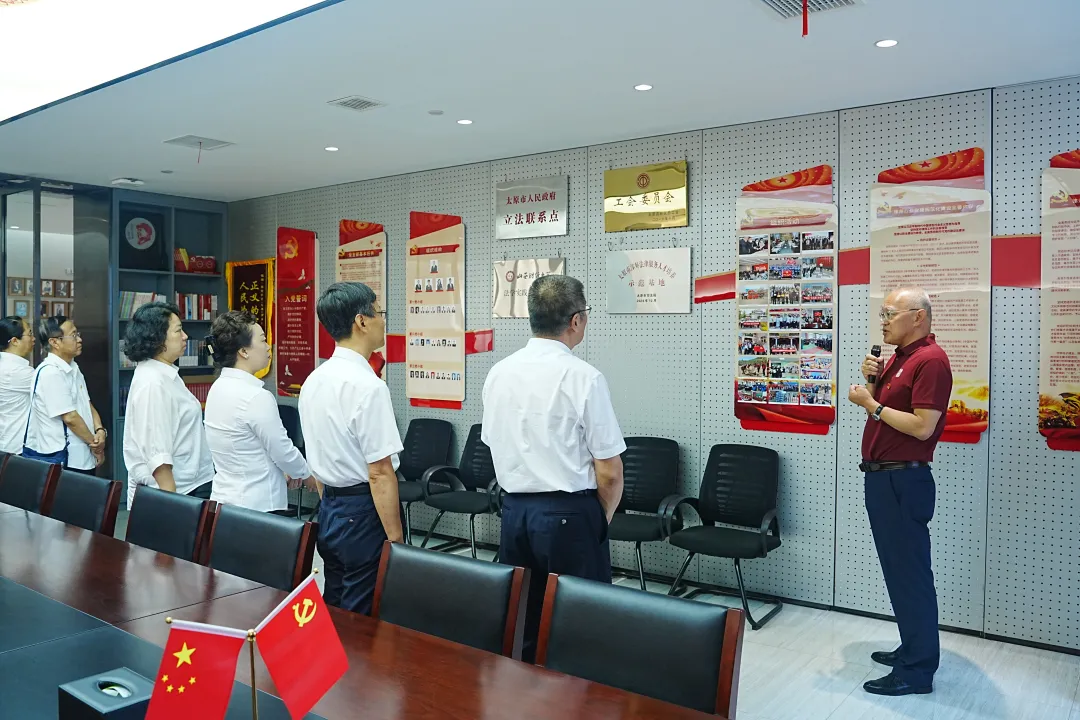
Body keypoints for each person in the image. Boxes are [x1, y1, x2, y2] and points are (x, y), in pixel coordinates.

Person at [482, 274, 625, 663]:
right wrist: (597, 519)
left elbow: (492, 442)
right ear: (576, 320)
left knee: (522, 617)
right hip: (570, 514)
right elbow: (610, 471)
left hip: (514, 513)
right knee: (580, 623)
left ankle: (524, 689)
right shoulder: (584, 378)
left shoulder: (499, 373)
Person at [847, 287, 951, 697]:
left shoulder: (931, 361)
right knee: (898, 571)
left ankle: (918, 671)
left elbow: (923, 427)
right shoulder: (899, 358)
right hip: (883, 479)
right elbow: (886, 410)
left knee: (910, 575)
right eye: (883, 314)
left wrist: (870, 404)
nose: (884, 321)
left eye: (890, 313)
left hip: (903, 482)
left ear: (918, 317)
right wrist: (872, 383)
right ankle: (912, 648)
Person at [298, 282, 403, 615]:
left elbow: (318, 454)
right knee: (364, 611)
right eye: (379, 312)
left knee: (335, 599)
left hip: (330, 507)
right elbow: (380, 472)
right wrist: (396, 541)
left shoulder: (314, 380)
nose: (384, 320)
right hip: (363, 510)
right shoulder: (368, 386)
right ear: (362, 321)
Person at [203, 311, 317, 514]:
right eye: (263, 340)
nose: (268, 346)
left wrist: (283, 470)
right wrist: (306, 475)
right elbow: (281, 449)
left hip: (224, 500)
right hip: (258, 506)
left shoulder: (217, 388)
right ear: (243, 351)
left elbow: (249, 448)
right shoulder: (256, 397)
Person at [123, 302, 213, 507]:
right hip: (175, 491)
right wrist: (171, 505)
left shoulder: (165, 373)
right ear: (158, 338)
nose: (185, 336)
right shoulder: (153, 382)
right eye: (178, 330)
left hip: (188, 485)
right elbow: (157, 453)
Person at [23, 316, 105, 474]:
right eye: (73, 335)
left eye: (78, 334)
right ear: (55, 342)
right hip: (64, 459)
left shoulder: (73, 367)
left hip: (83, 455)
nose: (79, 339)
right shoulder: (50, 372)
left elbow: (86, 403)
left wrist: (100, 430)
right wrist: (95, 445)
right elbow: (70, 417)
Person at [0, 317, 35, 455]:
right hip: (16, 447)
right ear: (15, 341)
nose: (33, 338)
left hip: (6, 442)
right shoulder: (17, 371)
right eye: (29, 333)